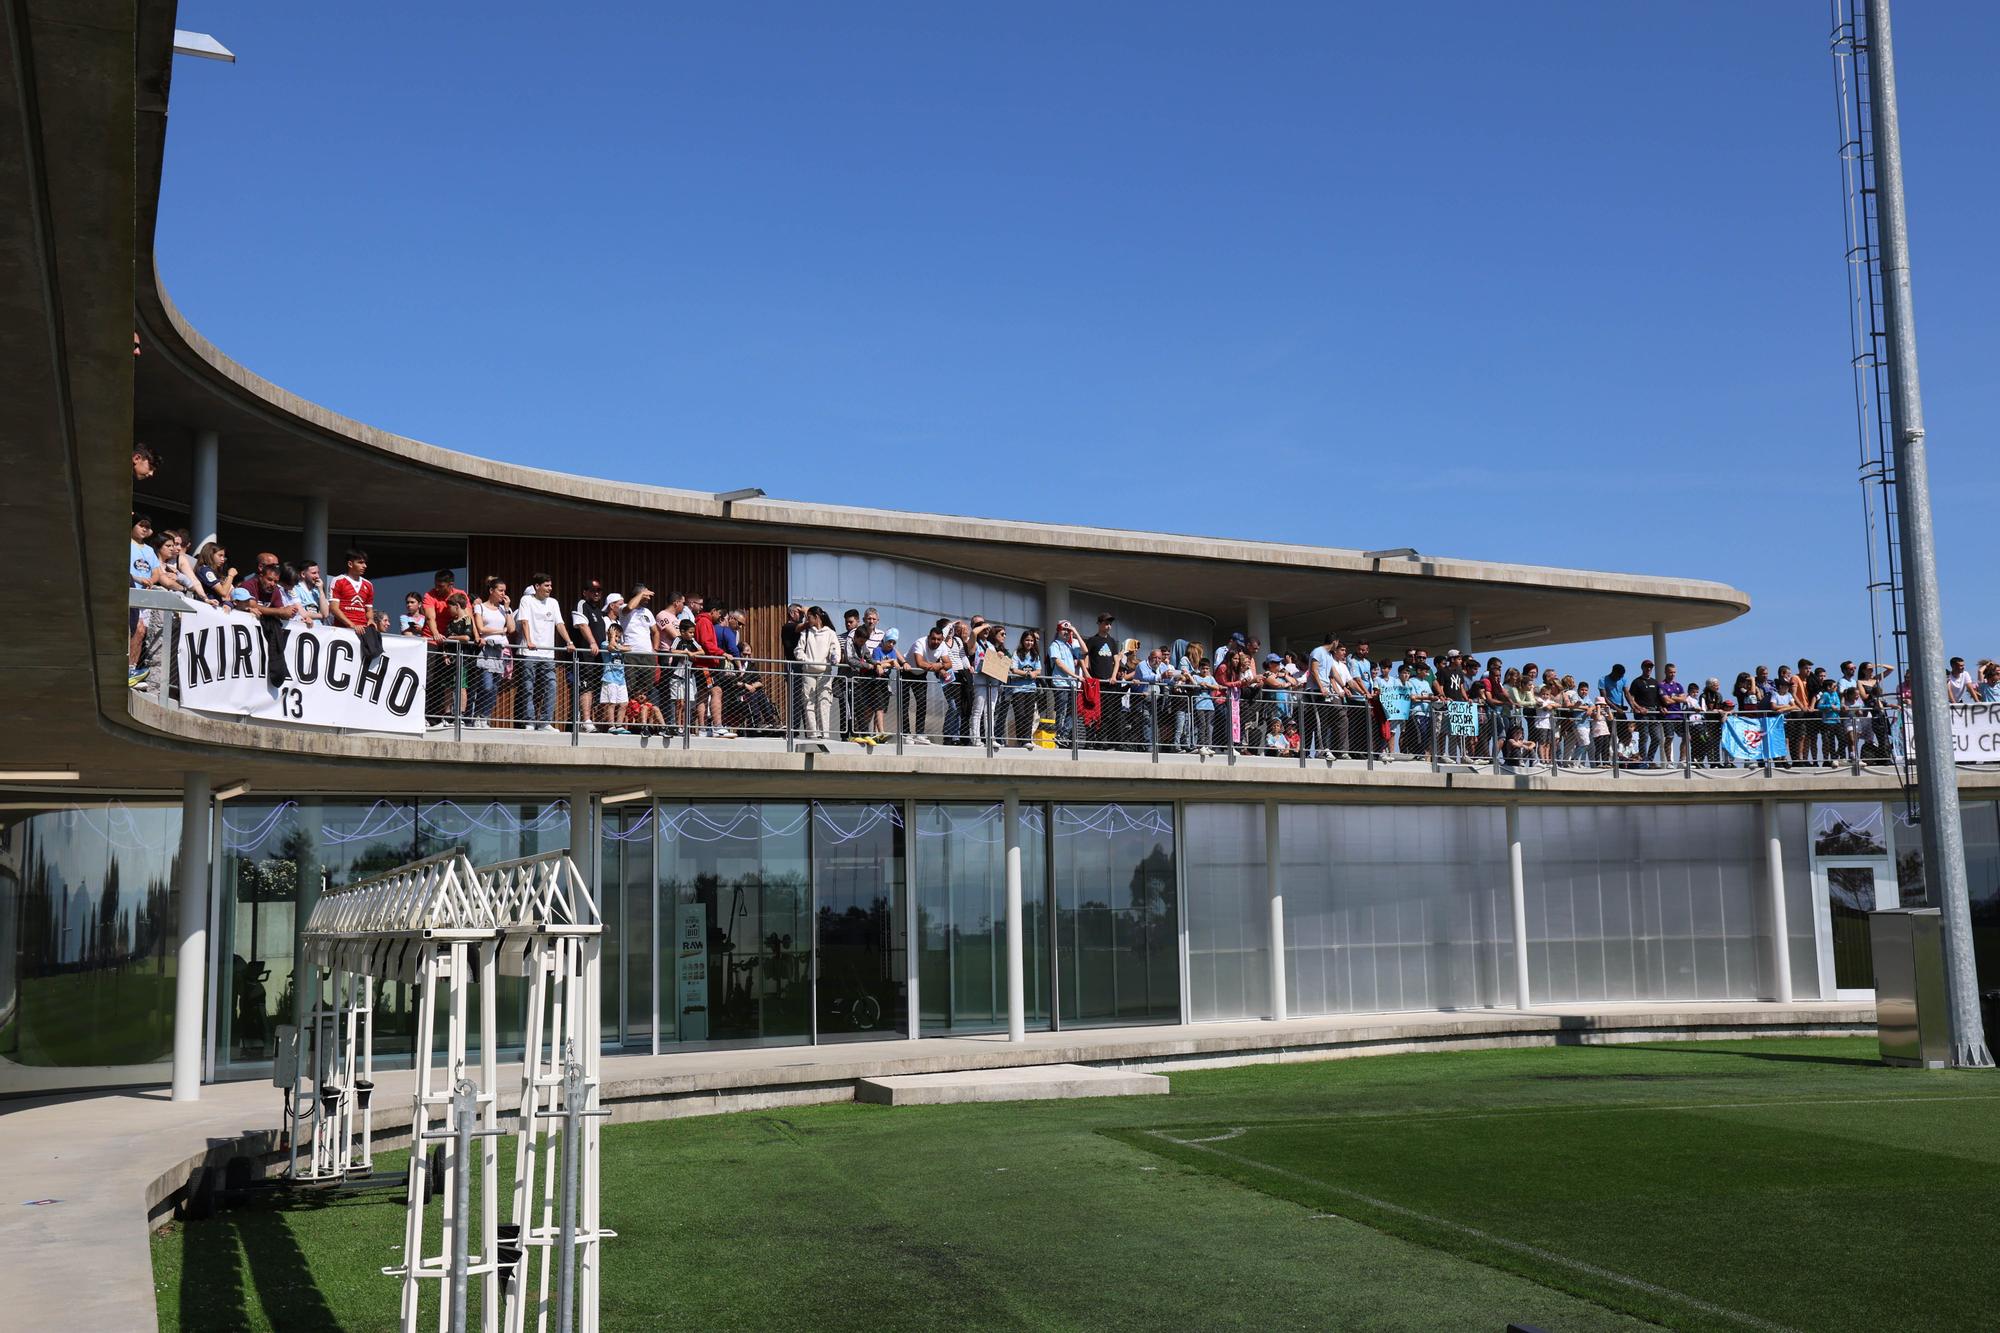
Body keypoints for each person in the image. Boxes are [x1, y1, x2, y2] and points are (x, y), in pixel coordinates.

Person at [515, 573, 570, 732]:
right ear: (537, 586)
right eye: (546, 585)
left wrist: (569, 642)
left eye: (550, 585)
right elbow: (524, 621)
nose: (550, 588)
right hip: (529, 652)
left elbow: (559, 624)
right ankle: (530, 722)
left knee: (551, 685)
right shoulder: (526, 600)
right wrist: (529, 640)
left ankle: (545, 722)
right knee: (527, 687)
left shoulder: (553, 602)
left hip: (548, 654)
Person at [468, 577, 514, 728]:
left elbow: (512, 628)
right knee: (486, 685)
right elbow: (481, 628)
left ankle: (485, 716)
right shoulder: (480, 607)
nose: (503, 594)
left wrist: (507, 608)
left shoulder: (504, 609)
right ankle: (477, 714)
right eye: (500, 590)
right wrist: (501, 630)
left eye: (504, 591)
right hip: (486, 649)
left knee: (494, 687)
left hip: (501, 651)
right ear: (491, 591)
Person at [793, 605, 841, 740]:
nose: (807, 620)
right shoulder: (806, 632)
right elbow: (798, 650)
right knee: (808, 702)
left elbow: (835, 650)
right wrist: (806, 660)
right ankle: (813, 733)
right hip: (808, 671)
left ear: (817, 617)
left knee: (824, 702)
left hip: (824, 672)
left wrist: (835, 657)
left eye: (809, 617)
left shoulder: (830, 633)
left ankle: (825, 734)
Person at [569, 579, 609, 734]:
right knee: (586, 686)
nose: (597, 593)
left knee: (596, 686)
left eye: (599, 590)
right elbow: (581, 624)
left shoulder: (599, 612)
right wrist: (592, 642)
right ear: (585, 592)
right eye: (593, 590)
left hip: (599, 656)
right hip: (585, 654)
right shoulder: (581, 605)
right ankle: (585, 720)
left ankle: (589, 719)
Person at [1047, 621, 1083, 746]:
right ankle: (1059, 735)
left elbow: (1085, 651)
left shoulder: (1070, 646)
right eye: (1064, 629)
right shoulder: (1055, 645)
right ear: (1058, 631)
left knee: (1073, 713)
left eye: (1068, 631)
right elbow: (1058, 663)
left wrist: (1076, 632)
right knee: (1062, 711)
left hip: (1071, 684)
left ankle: (1063, 734)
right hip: (1061, 683)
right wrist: (1075, 676)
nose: (1066, 632)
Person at [1008, 629, 1044, 746]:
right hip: (1018, 689)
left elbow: (1039, 669)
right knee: (1020, 714)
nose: (1030, 643)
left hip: (1031, 688)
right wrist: (1028, 674)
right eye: (1027, 640)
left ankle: (1027, 740)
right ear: (1023, 641)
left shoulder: (1035, 655)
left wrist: (1035, 673)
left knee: (1029, 715)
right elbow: (1014, 669)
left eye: (1032, 641)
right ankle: (1021, 740)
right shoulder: (1017, 653)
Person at [327, 550, 373, 631]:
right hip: (343, 630)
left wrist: (371, 620)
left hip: (364, 630)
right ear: (350, 564)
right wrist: (352, 625)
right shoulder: (338, 580)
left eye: (365, 563)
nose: (364, 566)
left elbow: (368, 610)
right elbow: (333, 608)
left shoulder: (368, 584)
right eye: (360, 562)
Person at [599, 621, 632, 734]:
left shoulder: (619, 644)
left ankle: (619, 725)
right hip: (610, 678)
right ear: (609, 634)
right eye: (615, 635)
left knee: (624, 703)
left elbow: (629, 648)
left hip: (621, 680)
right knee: (611, 703)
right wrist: (612, 638)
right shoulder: (604, 644)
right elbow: (611, 648)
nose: (617, 638)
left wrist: (617, 645)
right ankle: (611, 726)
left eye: (618, 636)